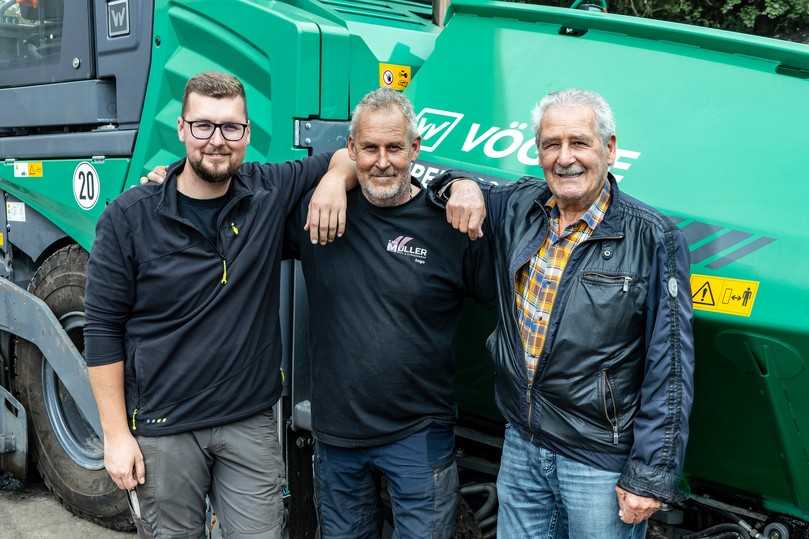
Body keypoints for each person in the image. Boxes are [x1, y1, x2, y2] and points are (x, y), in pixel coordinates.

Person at [83, 71, 357, 538]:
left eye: (231, 127)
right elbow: (102, 329)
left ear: (248, 134)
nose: (217, 140)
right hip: (165, 428)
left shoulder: (266, 191)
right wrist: (115, 436)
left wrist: (334, 182)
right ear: (183, 129)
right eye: (204, 126)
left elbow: (350, 154)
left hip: (247, 422)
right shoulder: (129, 217)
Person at [429, 88, 695, 538]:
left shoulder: (652, 237)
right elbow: (441, 185)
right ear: (538, 152)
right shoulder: (519, 207)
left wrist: (650, 475)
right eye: (552, 144)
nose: (565, 157)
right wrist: (462, 185)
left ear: (609, 149)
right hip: (523, 442)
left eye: (579, 142)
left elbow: (670, 365)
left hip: (597, 459)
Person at [283, 88, 491, 538]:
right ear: (351, 149)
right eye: (370, 148)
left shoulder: (448, 224)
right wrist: (170, 176)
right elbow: (234, 204)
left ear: (414, 149)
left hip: (418, 436)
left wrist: (466, 181)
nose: (382, 161)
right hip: (338, 438)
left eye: (395, 148)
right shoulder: (320, 212)